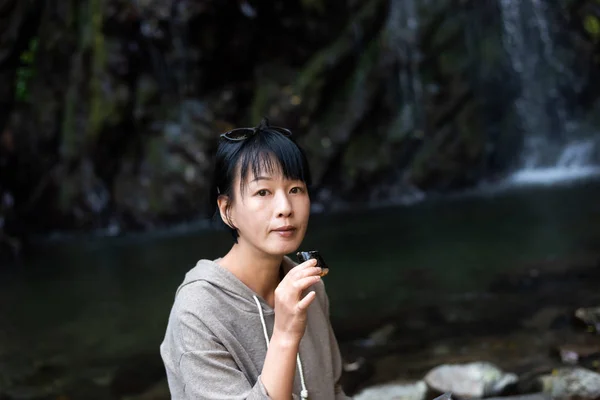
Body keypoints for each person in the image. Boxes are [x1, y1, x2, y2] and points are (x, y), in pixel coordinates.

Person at [160, 118, 350, 399]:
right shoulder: (197, 311)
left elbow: (332, 392)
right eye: (263, 192)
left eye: (295, 189)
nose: (285, 207)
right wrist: (285, 333)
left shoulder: (309, 286)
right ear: (227, 210)